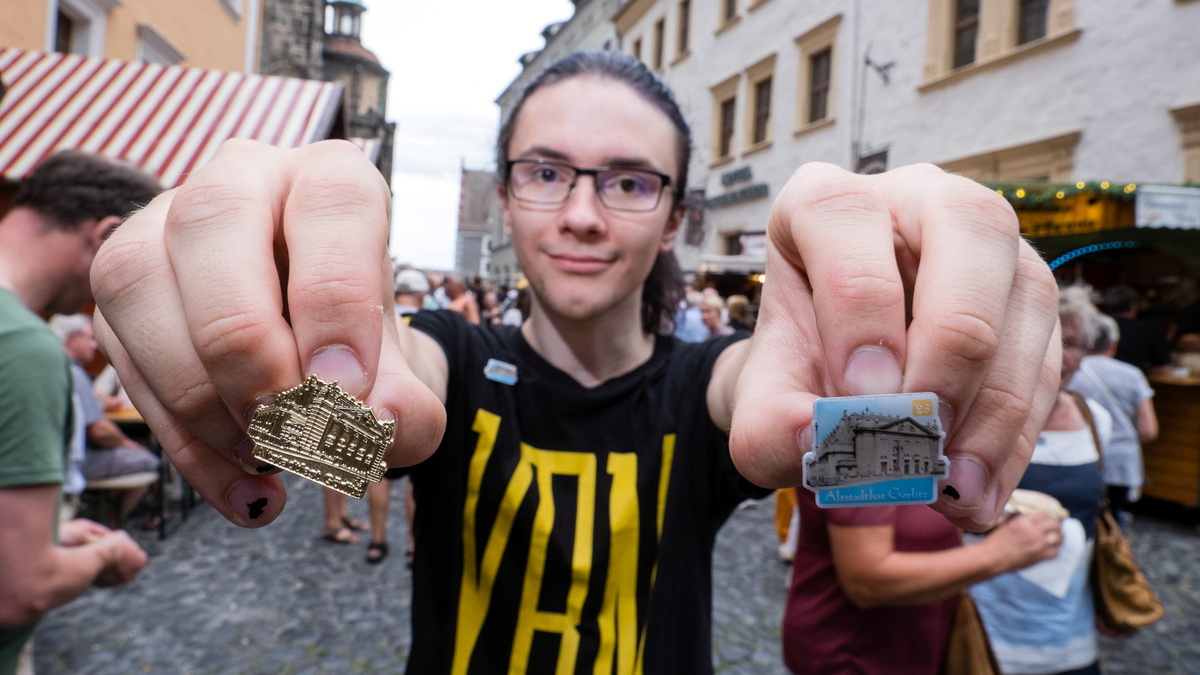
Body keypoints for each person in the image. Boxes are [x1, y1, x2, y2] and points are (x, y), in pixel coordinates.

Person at [89, 51, 1059, 673]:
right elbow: (379, 426)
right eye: (547, 172)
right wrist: (265, 370)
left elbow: (798, 441)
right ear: (506, 201)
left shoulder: (713, 390)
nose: (584, 213)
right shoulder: (455, 367)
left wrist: (907, 366)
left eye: (630, 181)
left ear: (677, 219)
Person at [0, 150, 155, 674]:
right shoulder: (24, 345)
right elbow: (20, 591)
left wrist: (46, 537)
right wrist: (105, 555)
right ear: (106, 234)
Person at [970, 285, 1112, 675]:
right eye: (1044, 338)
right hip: (986, 629)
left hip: (1070, 635)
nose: (1056, 355)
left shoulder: (1095, 419)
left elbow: (1096, 511)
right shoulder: (975, 418)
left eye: (1071, 342)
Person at [783, 482, 1064, 673]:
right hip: (855, 652)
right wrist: (998, 554)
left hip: (914, 643)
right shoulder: (868, 427)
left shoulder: (928, 423)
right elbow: (867, 581)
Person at [49, 313, 161, 527]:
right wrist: (129, 445)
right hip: (75, 462)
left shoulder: (49, 368)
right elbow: (98, 430)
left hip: (54, 458)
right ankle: (109, 525)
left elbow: (98, 398)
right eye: (90, 338)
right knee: (149, 459)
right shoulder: (72, 371)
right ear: (72, 339)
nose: (94, 346)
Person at [1070, 313, 1158, 529]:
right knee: (1113, 523)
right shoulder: (1133, 375)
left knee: (1078, 519)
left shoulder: (1071, 371)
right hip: (1121, 464)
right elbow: (1148, 430)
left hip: (1082, 457)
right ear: (1113, 343)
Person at [1104, 285, 1172, 375]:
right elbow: (1164, 368)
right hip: (1134, 384)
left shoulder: (1100, 328)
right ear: (1134, 307)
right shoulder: (1149, 329)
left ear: (1108, 307)